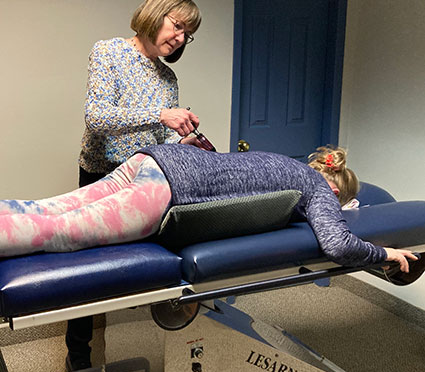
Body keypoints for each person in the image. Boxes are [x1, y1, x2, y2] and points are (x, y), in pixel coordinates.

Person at [0, 144, 417, 269]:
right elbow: (338, 244)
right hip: (170, 187)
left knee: (46, 209)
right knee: (57, 233)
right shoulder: (317, 188)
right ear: (336, 190)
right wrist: (382, 254)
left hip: (152, 160)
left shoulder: (287, 163)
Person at [75, 0, 202, 372]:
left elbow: (161, 137)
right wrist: (160, 113)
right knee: (87, 271)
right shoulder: (109, 52)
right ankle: (79, 355)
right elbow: (97, 118)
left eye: (188, 34)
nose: (181, 38)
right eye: (178, 26)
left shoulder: (168, 77)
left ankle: (145, 337)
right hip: (102, 174)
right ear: (157, 13)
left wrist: (184, 142)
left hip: (142, 181)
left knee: (136, 264)